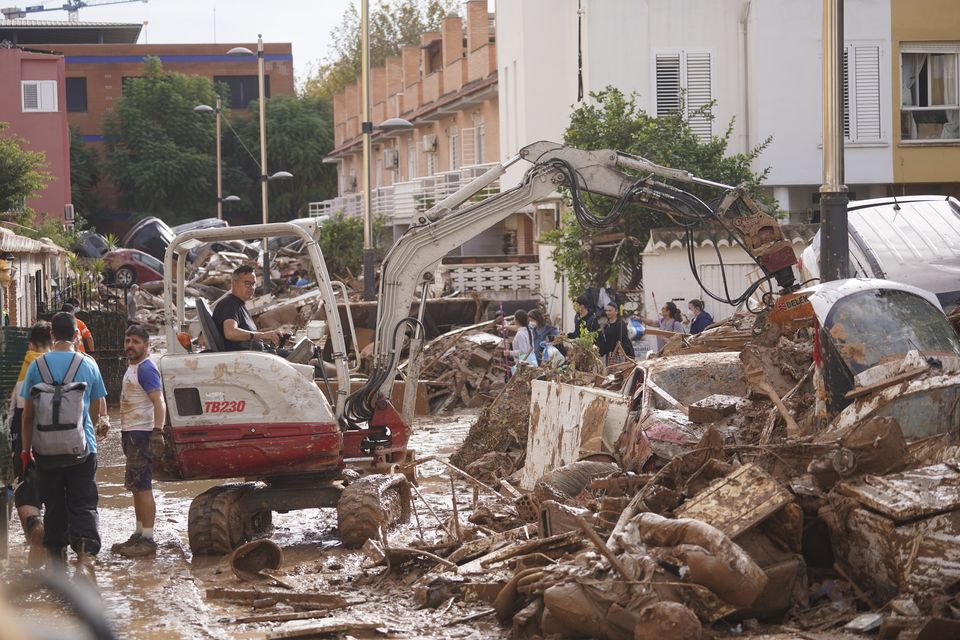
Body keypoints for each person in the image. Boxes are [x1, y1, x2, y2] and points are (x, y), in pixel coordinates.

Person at [20, 311, 107, 574]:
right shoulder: (88, 364)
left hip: (45, 450)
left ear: (51, 335)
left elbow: (27, 416)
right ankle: (85, 557)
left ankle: (57, 562)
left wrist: (26, 451)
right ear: (77, 335)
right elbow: (95, 410)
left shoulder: (37, 366)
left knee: (54, 504)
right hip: (82, 448)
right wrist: (86, 432)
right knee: (83, 503)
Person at [111, 325, 166, 558]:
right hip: (131, 432)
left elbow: (159, 401)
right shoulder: (133, 367)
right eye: (127, 341)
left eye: (135, 341)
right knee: (135, 485)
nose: (130, 346)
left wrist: (158, 431)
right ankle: (139, 533)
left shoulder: (145, 369)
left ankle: (148, 539)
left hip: (142, 433)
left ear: (146, 345)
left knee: (143, 486)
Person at [8, 322, 51, 566]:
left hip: (23, 440)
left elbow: (13, 410)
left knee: (25, 493)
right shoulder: (61, 364)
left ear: (29, 343)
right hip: (61, 441)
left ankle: (34, 527)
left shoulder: (18, 366)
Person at [212, 265, 283, 352]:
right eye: (247, 283)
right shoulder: (229, 304)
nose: (251, 288)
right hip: (242, 359)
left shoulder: (240, 305)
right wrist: (262, 335)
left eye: (253, 284)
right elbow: (230, 333)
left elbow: (249, 335)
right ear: (234, 283)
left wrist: (270, 334)